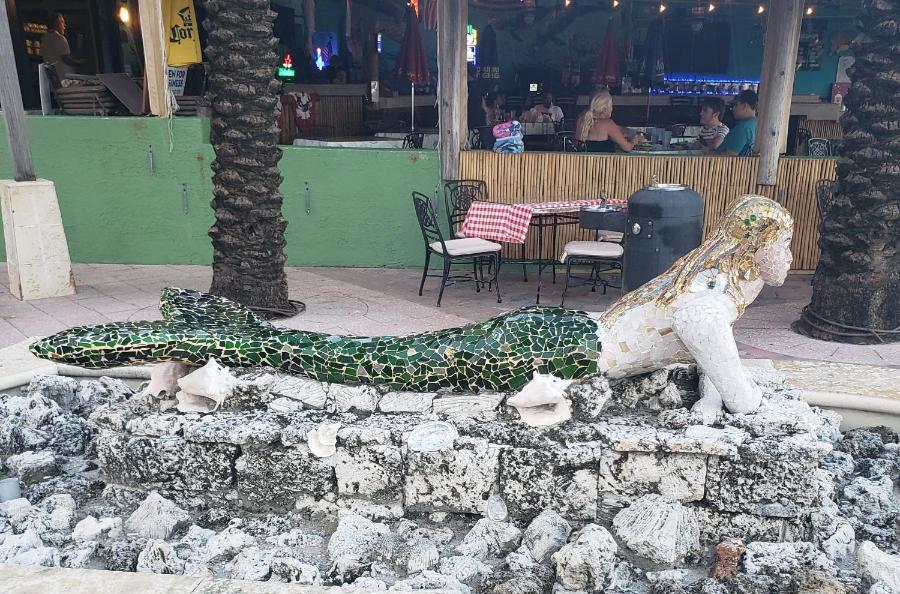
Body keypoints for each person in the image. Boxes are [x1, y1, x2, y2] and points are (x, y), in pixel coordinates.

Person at [30, 195, 793, 418]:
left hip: (554, 339)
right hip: (554, 351)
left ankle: (240, 339)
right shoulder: (708, 291)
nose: (787, 260)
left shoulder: (714, 281)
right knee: (379, 362)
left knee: (380, 360)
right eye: (782, 245)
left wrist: (713, 396)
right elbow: (699, 329)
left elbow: (697, 338)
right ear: (755, 246)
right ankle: (241, 343)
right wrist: (747, 404)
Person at [40, 13, 81, 81]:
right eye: (62, 22)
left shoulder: (44, 38)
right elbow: (66, 59)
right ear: (56, 24)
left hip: (53, 79)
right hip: (65, 78)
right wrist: (79, 63)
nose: (64, 26)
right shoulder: (60, 38)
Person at [716, 89, 757, 157]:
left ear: (744, 106)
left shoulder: (742, 128)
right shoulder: (756, 123)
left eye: (735, 105)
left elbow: (729, 157)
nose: (733, 108)